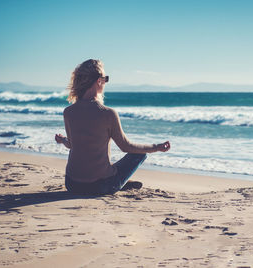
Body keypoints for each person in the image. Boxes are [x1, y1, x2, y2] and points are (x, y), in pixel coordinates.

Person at [55, 59, 170, 195]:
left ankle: (121, 181)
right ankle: (120, 183)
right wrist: (156, 147)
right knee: (139, 154)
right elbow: (125, 146)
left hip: (72, 185)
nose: (105, 82)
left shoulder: (68, 112)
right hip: (100, 187)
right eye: (106, 79)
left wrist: (62, 140)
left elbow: (72, 145)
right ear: (99, 81)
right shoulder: (107, 113)